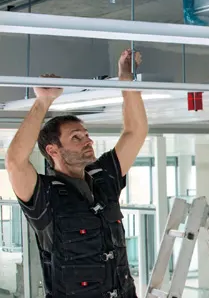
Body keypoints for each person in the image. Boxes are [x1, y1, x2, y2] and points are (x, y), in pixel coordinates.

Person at [6, 49, 148, 298]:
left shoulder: (103, 178)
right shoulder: (44, 195)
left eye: (86, 135)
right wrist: (43, 101)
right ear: (53, 150)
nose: (88, 141)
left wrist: (126, 79)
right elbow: (15, 162)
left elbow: (135, 131)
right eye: (76, 137)